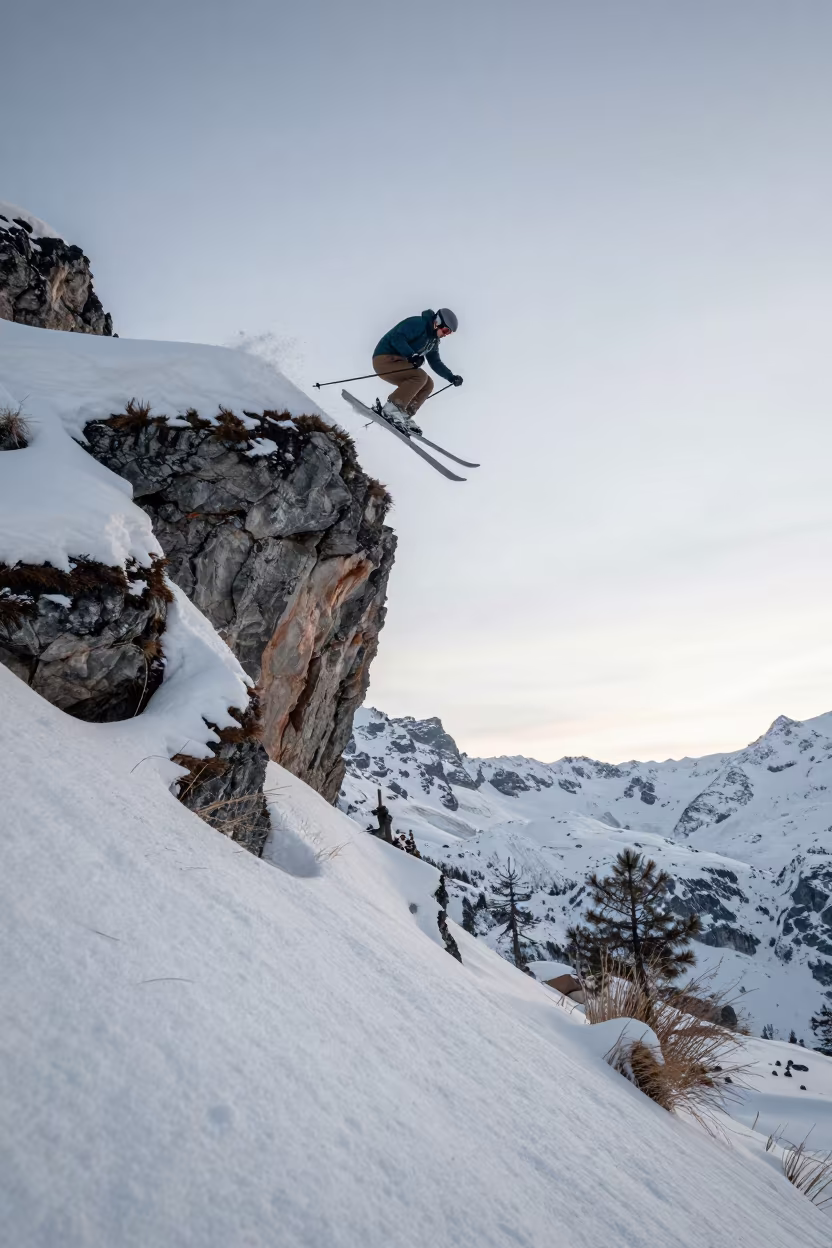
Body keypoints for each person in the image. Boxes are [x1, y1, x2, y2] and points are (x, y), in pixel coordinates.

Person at [372, 307, 463, 435]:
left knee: (428, 384)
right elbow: (397, 337)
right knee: (420, 376)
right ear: (437, 322)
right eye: (446, 330)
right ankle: (392, 408)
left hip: (399, 364)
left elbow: (435, 362)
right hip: (385, 359)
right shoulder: (419, 324)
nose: (445, 334)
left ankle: (404, 414)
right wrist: (411, 355)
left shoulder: (433, 341)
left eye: (449, 333)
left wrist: (451, 377)